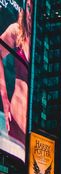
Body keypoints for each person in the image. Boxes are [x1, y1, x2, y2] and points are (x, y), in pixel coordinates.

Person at [0, 0, 32, 144]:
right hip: (15, 119)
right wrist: (4, 98)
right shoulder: (16, 31)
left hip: (33, 132)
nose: (31, 15)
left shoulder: (41, 44)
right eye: (29, 9)